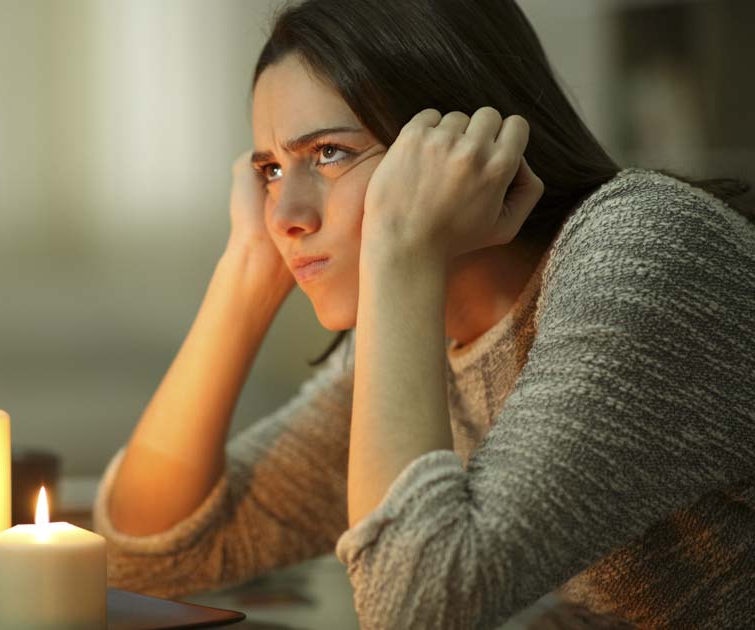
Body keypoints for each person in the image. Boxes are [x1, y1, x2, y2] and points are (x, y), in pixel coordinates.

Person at [92, 0, 755, 628]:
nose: (286, 216)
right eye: (269, 168)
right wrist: (246, 268)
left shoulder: (643, 255)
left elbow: (414, 610)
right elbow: (145, 557)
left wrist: (402, 247)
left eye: (328, 153)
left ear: (462, 146)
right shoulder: (429, 333)